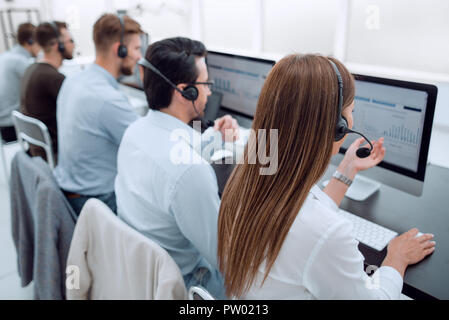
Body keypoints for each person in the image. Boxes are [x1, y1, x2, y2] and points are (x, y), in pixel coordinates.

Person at [217, 54, 436, 300]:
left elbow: (303, 211)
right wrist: (397, 258)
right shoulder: (328, 233)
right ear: (336, 127)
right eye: (351, 111)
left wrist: (347, 169)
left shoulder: (246, 180)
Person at [115, 37, 240, 299]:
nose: (209, 93)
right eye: (206, 85)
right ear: (185, 92)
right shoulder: (190, 173)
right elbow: (227, 259)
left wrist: (216, 137)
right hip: (184, 283)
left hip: (140, 273)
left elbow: (175, 148)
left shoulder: (134, 133)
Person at [54, 14, 143, 215]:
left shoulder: (73, 81)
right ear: (119, 50)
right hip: (98, 201)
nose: (139, 56)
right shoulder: (107, 99)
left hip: (70, 193)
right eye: (137, 49)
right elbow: (149, 148)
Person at [20, 21, 75, 162]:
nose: (73, 45)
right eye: (71, 40)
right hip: (55, 154)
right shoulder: (53, 78)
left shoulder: (31, 69)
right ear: (58, 45)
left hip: (36, 150)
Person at [0, 23, 40, 143]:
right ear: (31, 41)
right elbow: (38, 88)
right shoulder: (21, 62)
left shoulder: (6, 56)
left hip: (4, 121)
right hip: (13, 123)